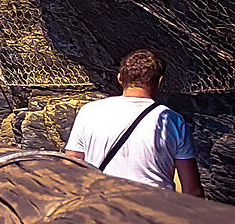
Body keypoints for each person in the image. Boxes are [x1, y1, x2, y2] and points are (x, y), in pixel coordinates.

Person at [65, 48, 200, 194]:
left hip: (100, 205)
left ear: (120, 79)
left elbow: (70, 165)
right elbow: (192, 189)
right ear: (160, 82)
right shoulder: (173, 120)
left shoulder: (89, 111)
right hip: (154, 208)